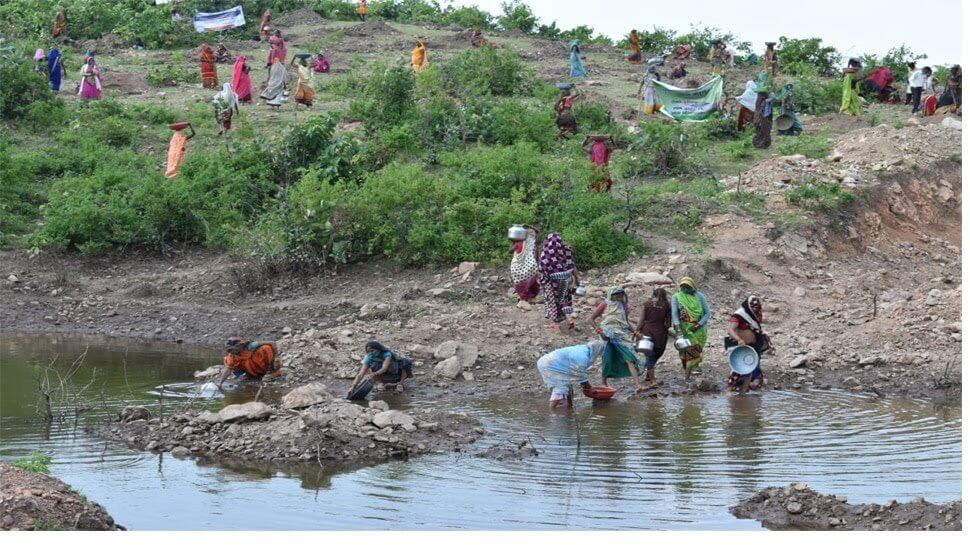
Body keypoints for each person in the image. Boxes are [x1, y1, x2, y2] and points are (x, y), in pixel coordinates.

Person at [590, 287, 646, 392]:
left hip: (621, 335)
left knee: (629, 358)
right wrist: (598, 330)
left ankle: (638, 385)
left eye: (621, 294)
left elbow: (625, 322)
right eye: (617, 294)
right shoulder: (604, 304)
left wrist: (635, 332)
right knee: (607, 358)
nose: (619, 296)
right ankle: (603, 382)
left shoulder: (623, 306)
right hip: (607, 334)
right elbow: (591, 319)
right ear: (611, 295)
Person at [536, 340, 607, 408]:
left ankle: (569, 408)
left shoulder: (583, 349)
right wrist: (589, 387)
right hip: (550, 365)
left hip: (549, 362)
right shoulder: (583, 356)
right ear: (596, 350)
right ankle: (552, 412)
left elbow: (578, 374)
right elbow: (580, 374)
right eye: (599, 352)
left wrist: (586, 386)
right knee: (560, 388)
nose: (599, 354)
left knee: (568, 386)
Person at [725, 295, 772, 394]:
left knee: (749, 369)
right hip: (740, 347)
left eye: (757, 308)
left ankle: (743, 393)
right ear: (748, 306)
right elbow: (730, 330)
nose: (756, 310)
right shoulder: (739, 315)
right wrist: (739, 339)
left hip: (752, 347)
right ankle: (729, 393)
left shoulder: (754, 315)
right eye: (754, 308)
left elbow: (759, 323)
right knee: (737, 370)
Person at [671, 277, 711, 382]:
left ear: (692, 286)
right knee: (686, 351)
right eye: (683, 286)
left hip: (698, 329)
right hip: (684, 330)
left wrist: (698, 325)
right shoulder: (677, 297)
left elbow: (707, 313)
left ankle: (690, 373)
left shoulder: (700, 296)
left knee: (694, 350)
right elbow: (675, 313)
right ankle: (688, 374)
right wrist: (678, 328)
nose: (685, 289)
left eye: (687, 287)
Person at [538, 232, 579, 330]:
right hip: (566, 278)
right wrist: (577, 280)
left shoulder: (546, 251)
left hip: (551, 281)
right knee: (565, 298)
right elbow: (572, 265)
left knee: (553, 300)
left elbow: (542, 267)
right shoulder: (566, 250)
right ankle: (569, 318)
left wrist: (542, 280)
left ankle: (555, 323)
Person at [634, 287, 671, 389]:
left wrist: (637, 330)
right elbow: (668, 324)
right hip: (660, 333)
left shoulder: (647, 304)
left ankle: (649, 375)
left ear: (653, 295)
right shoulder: (667, 305)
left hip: (647, 331)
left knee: (649, 354)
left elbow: (641, 319)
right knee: (657, 353)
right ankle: (652, 380)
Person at [348, 341, 414, 396]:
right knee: (372, 368)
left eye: (372, 351)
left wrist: (373, 374)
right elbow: (360, 374)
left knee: (406, 362)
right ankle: (381, 383)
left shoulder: (387, 354)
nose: (370, 353)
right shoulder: (368, 357)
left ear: (378, 349)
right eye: (368, 351)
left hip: (396, 371)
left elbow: (384, 368)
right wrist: (353, 386)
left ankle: (400, 383)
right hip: (383, 372)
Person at [510, 225, 541, 302]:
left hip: (517, 267)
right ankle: (529, 298)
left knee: (520, 282)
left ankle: (522, 297)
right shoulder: (533, 245)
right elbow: (537, 232)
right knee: (531, 281)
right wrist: (529, 226)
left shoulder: (519, 242)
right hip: (530, 266)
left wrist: (513, 242)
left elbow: (510, 251)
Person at [752, 79, 773, 148]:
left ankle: (761, 143)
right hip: (762, 118)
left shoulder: (763, 100)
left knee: (762, 131)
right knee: (763, 130)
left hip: (762, 118)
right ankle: (761, 143)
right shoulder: (763, 100)